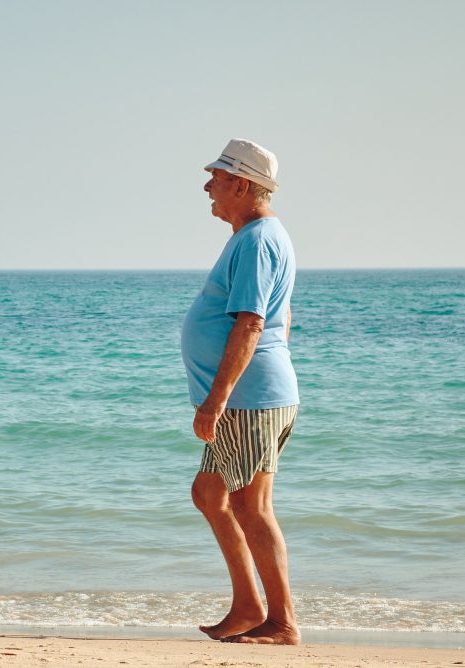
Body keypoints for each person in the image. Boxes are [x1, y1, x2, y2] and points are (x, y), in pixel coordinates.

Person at [181, 138, 300, 645]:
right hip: (252, 393)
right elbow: (283, 316)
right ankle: (249, 607)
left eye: (216, 176)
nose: (208, 185)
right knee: (210, 493)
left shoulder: (257, 239)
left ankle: (282, 622)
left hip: (248, 399)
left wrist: (218, 397)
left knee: (251, 507)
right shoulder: (254, 236)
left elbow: (252, 323)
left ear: (241, 183)